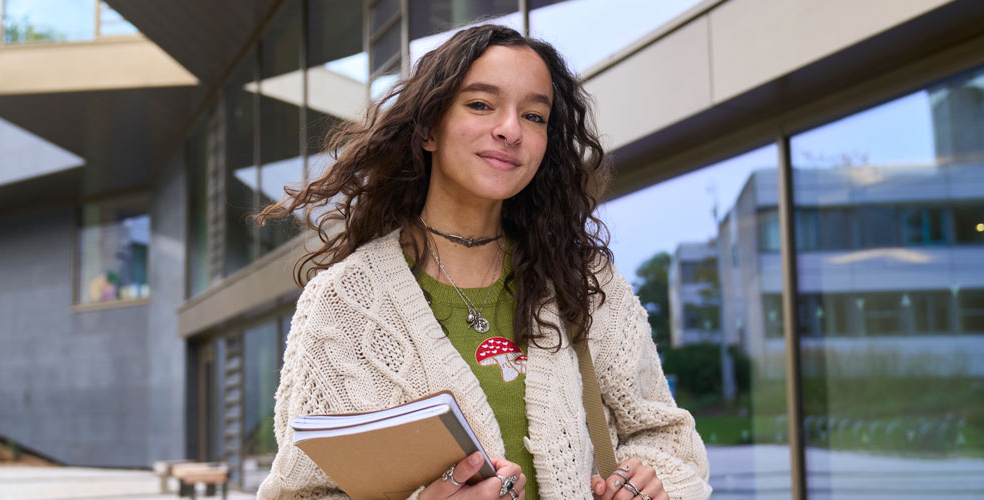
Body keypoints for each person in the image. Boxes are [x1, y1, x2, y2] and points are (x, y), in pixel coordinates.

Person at [254, 24, 711, 500]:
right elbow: (300, 491)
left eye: (534, 116)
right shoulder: (343, 303)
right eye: (480, 104)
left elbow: (667, 437)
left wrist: (652, 480)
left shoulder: (585, 280)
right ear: (429, 128)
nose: (510, 130)